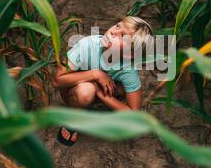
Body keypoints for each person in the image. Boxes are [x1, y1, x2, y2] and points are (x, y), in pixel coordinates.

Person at [51, 16, 154, 146]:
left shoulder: (128, 69)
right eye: (118, 25)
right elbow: (57, 81)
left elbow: (133, 114)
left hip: (99, 91)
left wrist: (100, 93)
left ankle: (100, 102)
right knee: (86, 90)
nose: (113, 31)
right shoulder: (87, 45)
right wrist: (95, 74)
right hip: (73, 91)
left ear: (129, 54)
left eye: (122, 36)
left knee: (123, 87)